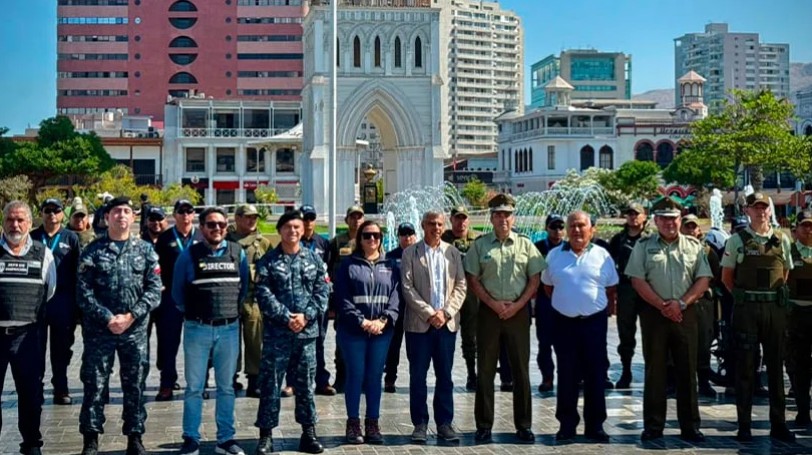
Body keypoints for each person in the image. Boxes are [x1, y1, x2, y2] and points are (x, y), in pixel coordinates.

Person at [77, 196, 162, 455]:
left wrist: (130, 316)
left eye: (126, 211)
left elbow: (154, 289)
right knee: (94, 383)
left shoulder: (146, 251)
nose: (121, 215)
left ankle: (135, 436)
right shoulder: (92, 251)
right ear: (106, 218)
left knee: (135, 383)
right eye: (116, 211)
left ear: (133, 218)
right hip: (99, 331)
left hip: (134, 331)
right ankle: (90, 438)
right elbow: (83, 291)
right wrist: (107, 318)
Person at [625, 196, 711, 443]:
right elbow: (637, 280)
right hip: (655, 315)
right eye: (663, 219)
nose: (668, 223)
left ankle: (690, 427)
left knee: (687, 371)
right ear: (655, 221)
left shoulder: (694, 247)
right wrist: (662, 305)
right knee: (655, 372)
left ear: (679, 219)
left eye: (673, 219)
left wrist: (681, 303)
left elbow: (703, 279)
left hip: (686, 312)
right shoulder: (643, 246)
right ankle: (653, 426)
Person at [464, 193, 545, 444]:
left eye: (507, 215)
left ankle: (523, 425)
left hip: (518, 314)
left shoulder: (525, 244)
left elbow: (535, 279)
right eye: (498, 215)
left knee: (521, 371)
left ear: (513, 217)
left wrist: (518, 305)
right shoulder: (480, 245)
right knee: (485, 371)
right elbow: (473, 279)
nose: (502, 219)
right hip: (489, 313)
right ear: (491, 218)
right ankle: (484, 425)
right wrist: (493, 303)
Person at [173, 207, 249, 455]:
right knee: (194, 387)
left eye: (221, 225)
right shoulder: (189, 255)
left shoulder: (238, 253)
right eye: (211, 225)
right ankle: (191, 438)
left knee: (226, 387)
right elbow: (178, 293)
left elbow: (243, 288)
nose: (217, 229)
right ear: (202, 227)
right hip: (197, 329)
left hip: (228, 329)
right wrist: (198, 313)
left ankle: (225, 440)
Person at [721, 192, 796, 442]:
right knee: (745, 368)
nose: (761, 212)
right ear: (748, 211)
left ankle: (779, 424)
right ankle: (744, 425)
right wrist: (746, 298)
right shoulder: (737, 241)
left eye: (765, 208)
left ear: (770, 210)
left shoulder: (781, 239)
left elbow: (784, 273)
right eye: (756, 208)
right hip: (747, 311)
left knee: (776, 368)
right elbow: (727, 278)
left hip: (774, 310)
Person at [253, 210, 330, 455]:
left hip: (306, 336)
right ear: (280, 231)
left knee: (306, 386)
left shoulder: (314, 259)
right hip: (278, 335)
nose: (293, 231)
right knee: (271, 385)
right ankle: (266, 436)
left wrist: (305, 316)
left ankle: (308, 434)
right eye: (288, 227)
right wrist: (287, 317)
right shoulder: (269, 261)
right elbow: (263, 295)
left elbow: (323, 292)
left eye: (297, 227)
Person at [542, 211, 618, 442]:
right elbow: (548, 287)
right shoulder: (554, 256)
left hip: (594, 323)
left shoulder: (602, 255)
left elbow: (611, 288)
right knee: (566, 374)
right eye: (572, 226)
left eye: (581, 226)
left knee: (596, 375)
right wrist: (569, 303)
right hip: (564, 323)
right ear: (566, 229)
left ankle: (595, 426)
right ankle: (566, 425)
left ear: (591, 229)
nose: (576, 230)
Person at [401, 211, 467, 443]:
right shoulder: (411, 252)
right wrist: (430, 314)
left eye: (439, 224)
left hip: (446, 325)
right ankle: (419, 424)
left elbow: (461, 286)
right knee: (418, 376)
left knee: (445, 376)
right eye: (431, 224)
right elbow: (407, 287)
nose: (436, 228)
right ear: (423, 225)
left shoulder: (453, 253)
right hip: (419, 325)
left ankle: (444, 423)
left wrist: (446, 313)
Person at [334, 220, 400, 445]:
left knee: (374, 376)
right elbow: (342, 298)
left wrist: (383, 320)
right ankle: (353, 424)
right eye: (367, 236)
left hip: (381, 331)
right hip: (353, 331)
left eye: (376, 235)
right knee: (356, 374)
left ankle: (372, 423)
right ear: (359, 239)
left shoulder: (391, 265)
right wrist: (362, 321)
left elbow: (396, 297)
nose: (372, 239)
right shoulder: (348, 265)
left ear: (381, 239)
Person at [0, 201, 57, 455]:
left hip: (28, 336)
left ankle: (32, 443)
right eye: (10, 219)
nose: (15, 225)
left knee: (31, 394)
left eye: (20, 220)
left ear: (30, 223)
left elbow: (49, 290)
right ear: (3, 222)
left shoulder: (44, 254)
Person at [31, 198, 81, 406]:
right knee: (35, 349)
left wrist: (78, 307)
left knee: (61, 349)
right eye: (47, 210)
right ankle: (35, 389)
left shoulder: (71, 238)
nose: (51, 214)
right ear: (41, 213)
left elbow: (79, 271)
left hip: (63, 301)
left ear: (63, 214)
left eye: (56, 210)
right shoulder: (32, 236)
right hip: (36, 302)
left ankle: (61, 388)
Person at [154, 199, 204, 401]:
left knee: (199, 343)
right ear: (174, 215)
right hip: (171, 297)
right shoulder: (165, 238)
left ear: (193, 215)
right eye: (181, 211)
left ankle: (199, 384)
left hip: (198, 297)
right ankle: (167, 383)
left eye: (189, 211)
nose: (185, 215)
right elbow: (156, 268)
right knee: (168, 341)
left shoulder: (202, 236)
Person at [226, 204, 272, 398]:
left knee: (255, 340)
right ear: (237, 218)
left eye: (254, 217)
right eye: (247, 217)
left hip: (253, 298)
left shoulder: (263, 242)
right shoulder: (226, 240)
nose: (252, 220)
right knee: (230, 341)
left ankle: (254, 379)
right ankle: (230, 377)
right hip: (230, 296)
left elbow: (270, 268)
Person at [608, 202, 650, 389]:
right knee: (626, 333)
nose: (633, 217)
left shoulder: (651, 239)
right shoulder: (618, 239)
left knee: (652, 333)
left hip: (648, 289)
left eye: (636, 214)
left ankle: (653, 373)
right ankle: (626, 371)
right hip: (626, 289)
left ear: (644, 216)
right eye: (630, 214)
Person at [680, 214, 722, 397]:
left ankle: (703, 381)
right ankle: (676, 382)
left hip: (702, 304)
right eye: (687, 226)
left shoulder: (707, 251)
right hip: (679, 303)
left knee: (703, 344)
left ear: (699, 230)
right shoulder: (674, 249)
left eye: (693, 227)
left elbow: (717, 276)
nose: (690, 230)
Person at [441, 205, 480, 391]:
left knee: (471, 336)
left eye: (464, 218)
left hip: (471, 295)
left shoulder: (478, 240)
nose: (461, 222)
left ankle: (472, 374)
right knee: (445, 336)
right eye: (457, 218)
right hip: (448, 294)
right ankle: (444, 375)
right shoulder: (443, 239)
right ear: (451, 220)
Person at [326, 205, 365, 392]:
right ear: (347, 220)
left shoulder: (369, 239)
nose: (356, 220)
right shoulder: (336, 242)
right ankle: (341, 378)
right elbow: (328, 272)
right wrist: (332, 302)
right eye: (353, 217)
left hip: (365, 300)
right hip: (343, 300)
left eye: (359, 216)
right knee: (342, 340)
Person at [299, 204, 335, 396]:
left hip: (318, 301)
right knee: (295, 342)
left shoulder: (323, 243)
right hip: (297, 301)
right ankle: (293, 382)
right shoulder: (293, 241)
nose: (308, 222)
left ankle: (322, 381)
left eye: (311, 218)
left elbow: (328, 272)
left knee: (319, 341)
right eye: (305, 218)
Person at [533, 213, 566, 393]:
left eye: (561, 227)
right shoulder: (537, 247)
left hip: (564, 301)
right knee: (544, 343)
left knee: (566, 342)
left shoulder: (569, 248)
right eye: (554, 227)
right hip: (544, 302)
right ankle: (547, 377)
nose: (557, 231)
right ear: (546, 228)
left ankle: (569, 376)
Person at [383, 221, 417, 393]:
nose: (407, 237)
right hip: (396, 308)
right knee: (393, 346)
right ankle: (390, 378)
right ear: (398, 237)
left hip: (415, 310)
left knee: (415, 347)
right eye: (403, 234)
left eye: (410, 234)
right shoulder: (390, 256)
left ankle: (416, 378)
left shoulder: (420, 254)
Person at [787, 210, 812, 426]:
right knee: (799, 366)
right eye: (805, 225)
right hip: (796, 317)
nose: (809, 229)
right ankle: (803, 410)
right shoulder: (789, 251)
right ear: (797, 228)